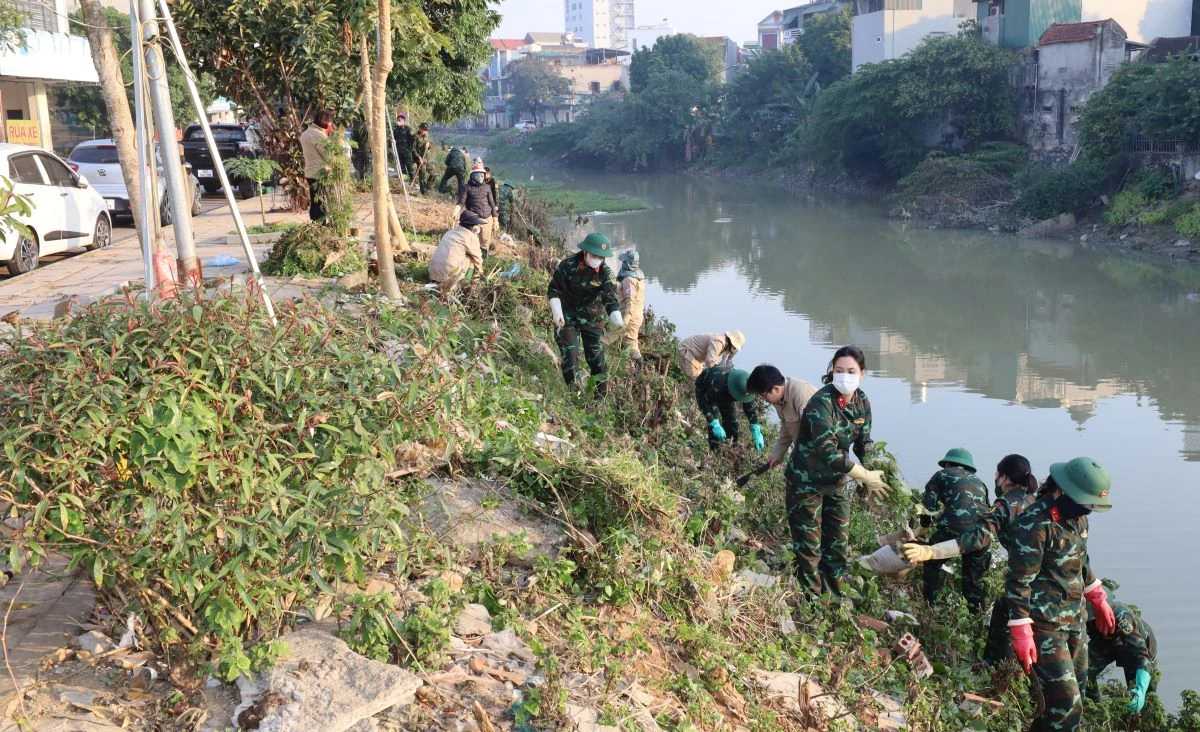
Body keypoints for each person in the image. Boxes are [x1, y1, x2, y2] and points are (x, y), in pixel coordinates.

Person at [1005, 457, 1115, 732]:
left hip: (1074, 620)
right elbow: (1019, 582)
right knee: (1067, 706)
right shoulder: (1034, 525)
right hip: (1044, 625)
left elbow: (1081, 560)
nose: (1086, 512)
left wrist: (1097, 596)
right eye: (1084, 504)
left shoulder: (1077, 519)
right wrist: (1021, 629)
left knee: (1071, 696)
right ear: (1062, 491)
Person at [903, 454, 1040, 666]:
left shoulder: (1005, 505)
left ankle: (997, 667)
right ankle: (1004, 668)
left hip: (1029, 578)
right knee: (1006, 608)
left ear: (1004, 478)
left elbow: (977, 536)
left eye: (996, 473)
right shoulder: (1035, 501)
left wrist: (932, 551)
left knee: (1010, 614)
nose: (995, 478)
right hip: (1047, 575)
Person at [784, 345, 890, 597]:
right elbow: (826, 449)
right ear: (832, 371)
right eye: (839, 370)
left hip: (837, 481)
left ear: (862, 373)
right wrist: (862, 475)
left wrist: (876, 470)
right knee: (809, 547)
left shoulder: (862, 402)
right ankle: (812, 604)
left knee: (837, 544)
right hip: (806, 483)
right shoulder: (820, 403)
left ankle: (834, 596)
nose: (844, 376)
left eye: (851, 371)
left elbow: (864, 442)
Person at [547, 233, 623, 398]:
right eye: (595, 255)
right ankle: (575, 394)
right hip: (566, 318)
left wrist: (616, 315)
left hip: (593, 320)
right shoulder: (567, 266)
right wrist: (556, 310)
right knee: (570, 354)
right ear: (585, 252)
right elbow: (554, 290)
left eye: (601, 257)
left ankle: (600, 397)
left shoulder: (605, 273)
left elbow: (609, 298)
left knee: (597, 357)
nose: (598, 259)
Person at [916, 448, 990, 612]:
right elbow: (988, 511)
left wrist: (924, 528)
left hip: (953, 527)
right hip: (982, 534)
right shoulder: (980, 483)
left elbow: (929, 508)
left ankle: (929, 608)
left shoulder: (941, 475)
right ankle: (976, 617)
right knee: (974, 580)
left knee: (932, 560)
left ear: (948, 463)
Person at [1086, 596, 1156, 714]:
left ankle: (1141, 715)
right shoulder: (1087, 615)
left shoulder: (1122, 619)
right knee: (1083, 668)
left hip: (1135, 647)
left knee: (1137, 695)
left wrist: (1141, 689)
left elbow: (1141, 656)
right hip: (1105, 641)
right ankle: (1095, 710)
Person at [746, 365, 817, 470]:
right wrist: (777, 454)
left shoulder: (800, 395)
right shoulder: (779, 398)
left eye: (763, 396)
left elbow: (816, 433)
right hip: (805, 453)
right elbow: (787, 426)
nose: (764, 400)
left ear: (775, 389)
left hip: (821, 454)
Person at [694, 367, 764, 451]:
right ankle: (715, 450)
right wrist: (713, 422)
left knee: (732, 423)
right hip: (706, 389)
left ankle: (731, 449)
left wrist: (755, 428)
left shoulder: (748, 386)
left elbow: (750, 408)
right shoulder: (717, 385)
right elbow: (704, 403)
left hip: (727, 391)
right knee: (715, 425)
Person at [429, 210, 486, 294]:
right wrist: (479, 275)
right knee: (471, 258)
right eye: (476, 224)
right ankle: (465, 284)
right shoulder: (470, 237)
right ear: (472, 226)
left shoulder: (449, 232)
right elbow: (478, 259)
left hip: (433, 274)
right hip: (449, 277)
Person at [300, 109, 334, 222]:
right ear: (326, 122)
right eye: (330, 122)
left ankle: (316, 226)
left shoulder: (306, 133)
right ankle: (321, 226)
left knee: (315, 201)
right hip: (320, 173)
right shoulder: (318, 135)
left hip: (310, 172)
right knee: (321, 202)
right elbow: (329, 156)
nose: (331, 125)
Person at [453, 163, 497, 252]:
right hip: (474, 218)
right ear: (472, 176)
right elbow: (461, 201)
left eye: (482, 175)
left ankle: (483, 261)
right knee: (471, 241)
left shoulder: (487, 188)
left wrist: (495, 219)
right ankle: (471, 260)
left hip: (487, 219)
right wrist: (456, 210)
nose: (480, 177)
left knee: (485, 242)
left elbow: (492, 204)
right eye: (478, 175)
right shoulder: (467, 187)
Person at [614, 250, 645, 362]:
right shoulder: (638, 275)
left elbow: (630, 301)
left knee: (630, 343)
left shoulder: (629, 279)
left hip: (630, 317)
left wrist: (625, 321)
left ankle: (639, 367)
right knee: (628, 342)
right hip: (636, 315)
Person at [677, 331, 745, 382]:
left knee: (702, 379)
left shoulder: (725, 347)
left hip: (697, 358)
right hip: (687, 352)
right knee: (697, 381)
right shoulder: (718, 342)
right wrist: (721, 371)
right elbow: (710, 362)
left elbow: (720, 361)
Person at [411, 123, 435, 194]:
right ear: (420, 128)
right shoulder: (415, 136)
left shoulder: (426, 136)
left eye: (425, 130)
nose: (424, 131)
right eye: (423, 129)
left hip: (427, 158)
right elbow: (413, 149)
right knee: (423, 176)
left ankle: (428, 188)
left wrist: (429, 146)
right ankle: (424, 192)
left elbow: (428, 148)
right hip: (420, 159)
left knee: (434, 174)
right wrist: (419, 157)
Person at [392, 111, 415, 179]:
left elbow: (412, 140)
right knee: (401, 165)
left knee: (409, 165)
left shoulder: (408, 129)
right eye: (398, 119)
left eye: (400, 119)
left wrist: (410, 150)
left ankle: (411, 178)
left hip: (406, 151)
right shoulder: (396, 129)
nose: (399, 121)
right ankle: (405, 177)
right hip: (399, 150)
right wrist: (392, 141)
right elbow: (394, 138)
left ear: (403, 120)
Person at [484, 167, 501, 240]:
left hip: (493, 202)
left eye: (484, 174)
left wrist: (496, 205)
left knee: (495, 219)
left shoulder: (494, 181)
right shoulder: (484, 180)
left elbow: (496, 194)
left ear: (488, 173)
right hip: (486, 202)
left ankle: (495, 235)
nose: (483, 175)